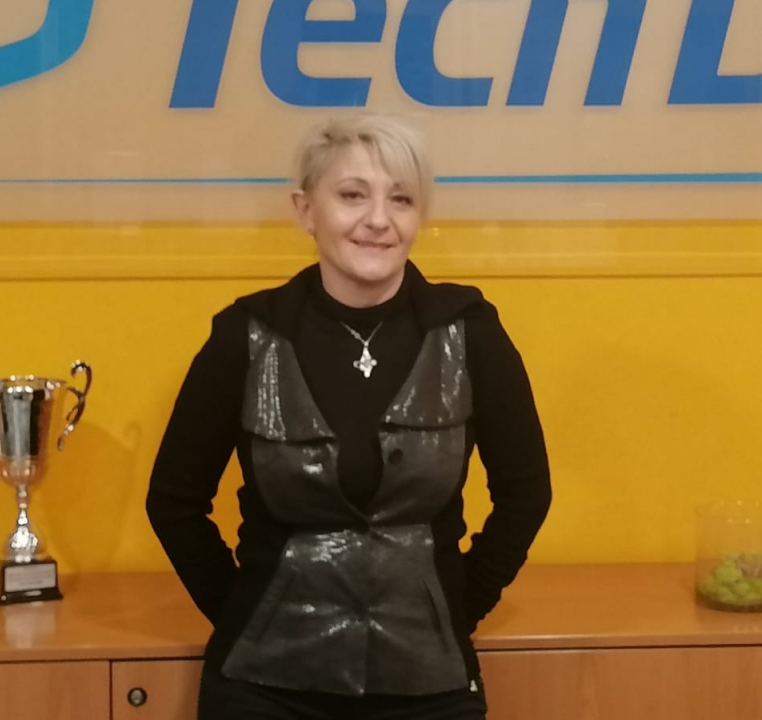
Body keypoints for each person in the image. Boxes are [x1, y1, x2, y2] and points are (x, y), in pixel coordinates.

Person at [146, 115, 552, 720]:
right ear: (306, 210)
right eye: (353, 195)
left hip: (429, 685)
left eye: (401, 199)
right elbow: (174, 501)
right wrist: (241, 610)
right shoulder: (245, 336)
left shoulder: (471, 333)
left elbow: (526, 493)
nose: (378, 220)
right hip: (263, 690)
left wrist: (459, 607)